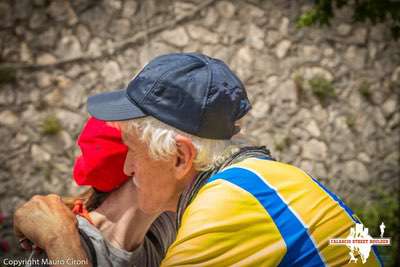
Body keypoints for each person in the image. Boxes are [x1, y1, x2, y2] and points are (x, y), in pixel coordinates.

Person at [14, 52, 382, 266]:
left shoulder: (224, 211)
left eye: (134, 152)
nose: (127, 168)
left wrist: (60, 238)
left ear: (179, 157)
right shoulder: (265, 178)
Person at [21, 117, 176, 267]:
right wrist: (58, 240)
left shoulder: (160, 227)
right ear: (132, 166)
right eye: (178, 155)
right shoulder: (61, 252)